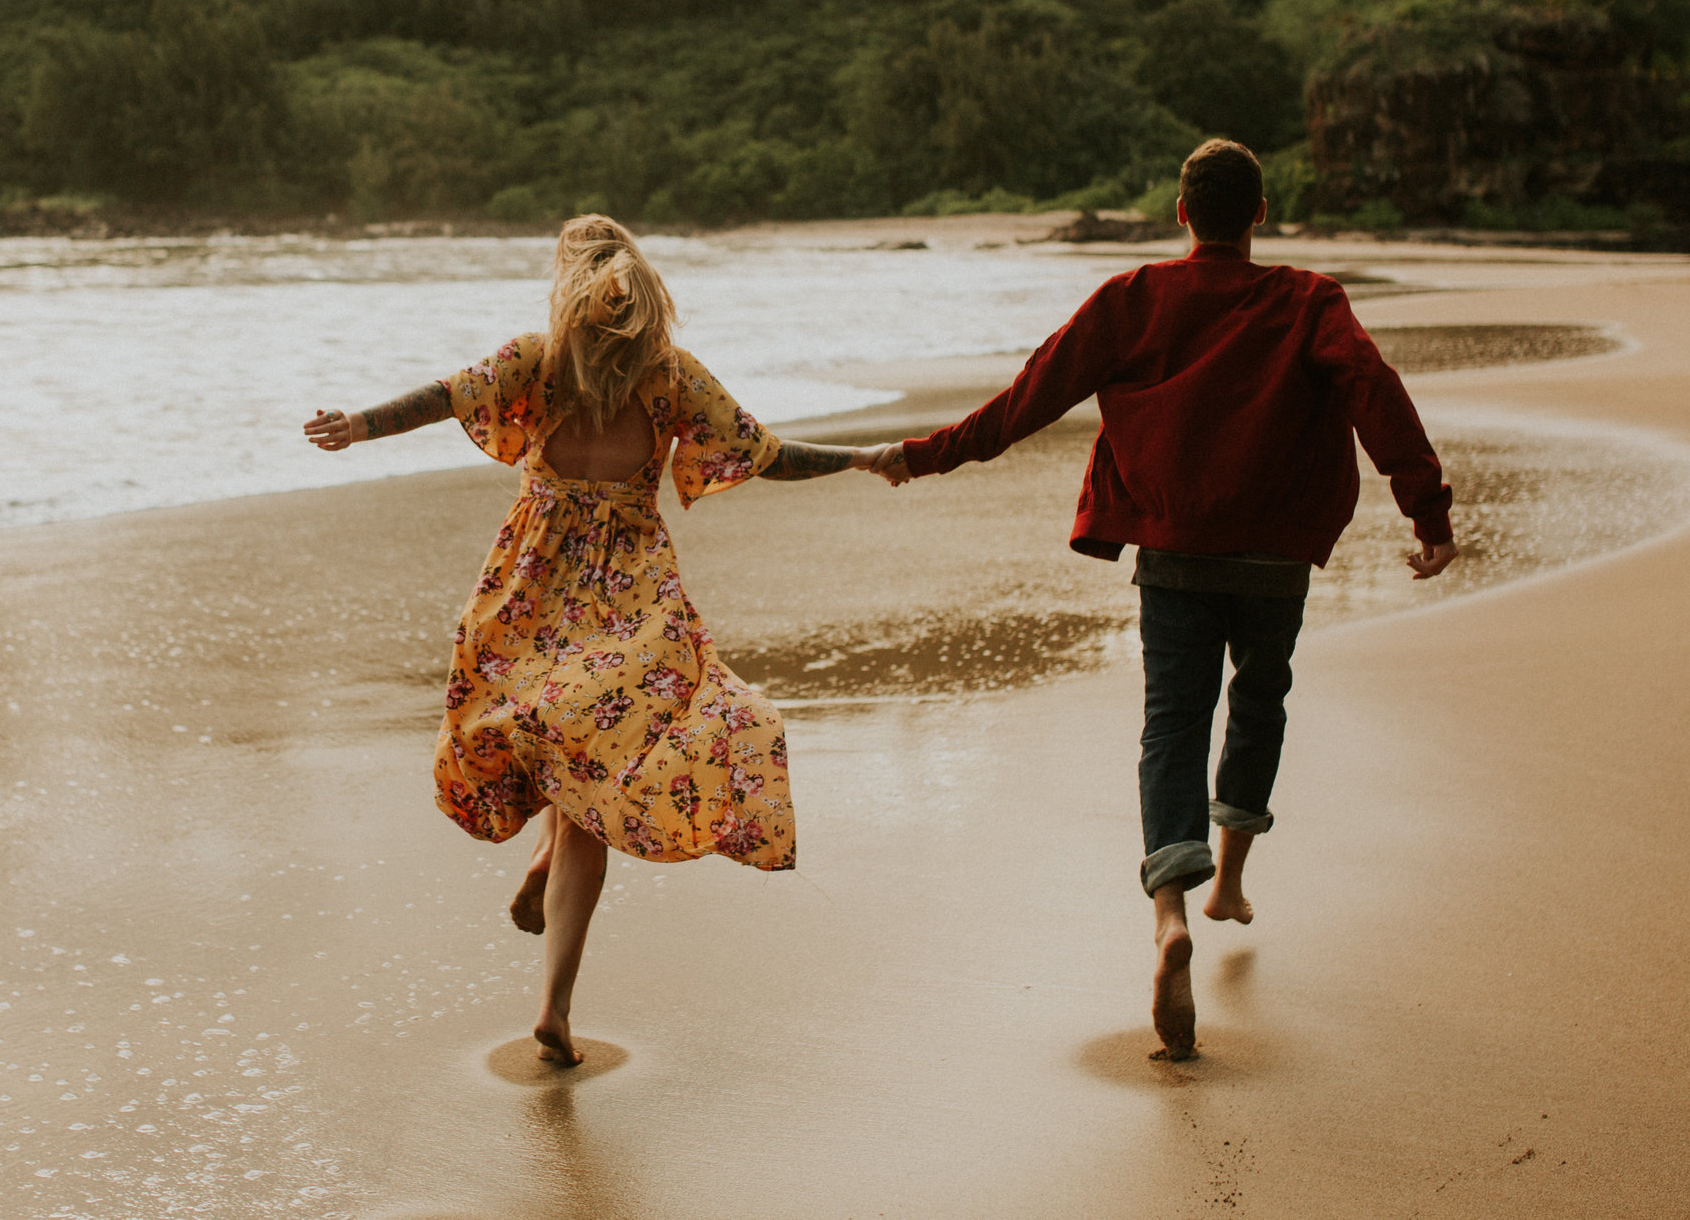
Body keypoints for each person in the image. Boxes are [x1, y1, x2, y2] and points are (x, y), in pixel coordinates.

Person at [871, 139, 1458, 1059]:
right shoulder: (1309, 299)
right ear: (1260, 215)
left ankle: (1171, 915)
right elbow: (1374, 392)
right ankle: (1229, 877)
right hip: (1273, 554)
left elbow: (1028, 397)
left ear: (1181, 213)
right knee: (1261, 697)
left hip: (1175, 550)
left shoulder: (1132, 299)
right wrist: (1426, 509)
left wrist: (923, 453)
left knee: (1172, 723)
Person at [303, 215, 883, 1065]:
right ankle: (555, 1004)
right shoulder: (669, 377)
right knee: (595, 774)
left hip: (529, 590)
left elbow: (442, 397)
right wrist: (862, 456)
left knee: (550, 734)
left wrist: (356, 425)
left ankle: (547, 888)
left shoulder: (535, 360)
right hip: (632, 604)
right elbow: (765, 453)